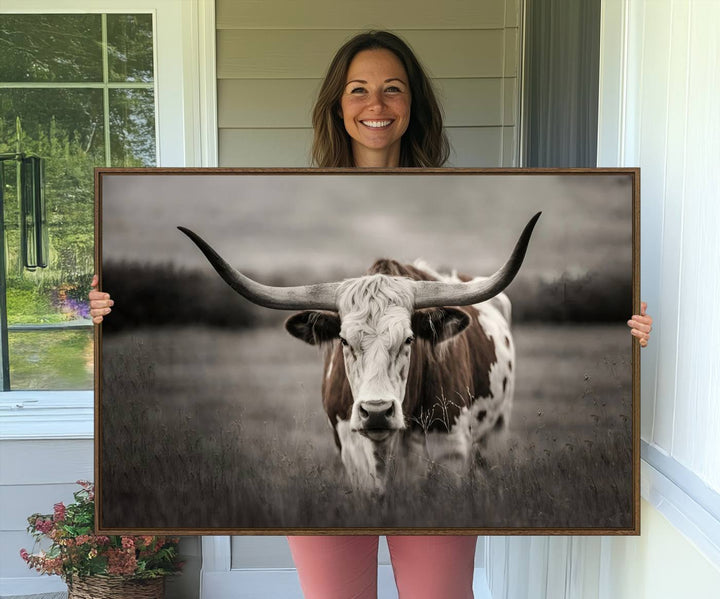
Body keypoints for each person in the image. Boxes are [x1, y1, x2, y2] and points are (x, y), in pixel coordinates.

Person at [89, 30, 653, 599]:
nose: (376, 105)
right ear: (338, 104)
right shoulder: (292, 196)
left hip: (442, 418)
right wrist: (111, 307)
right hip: (356, 400)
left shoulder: (461, 196)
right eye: (358, 90)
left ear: (413, 105)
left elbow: (488, 285)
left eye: (393, 89)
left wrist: (628, 332)